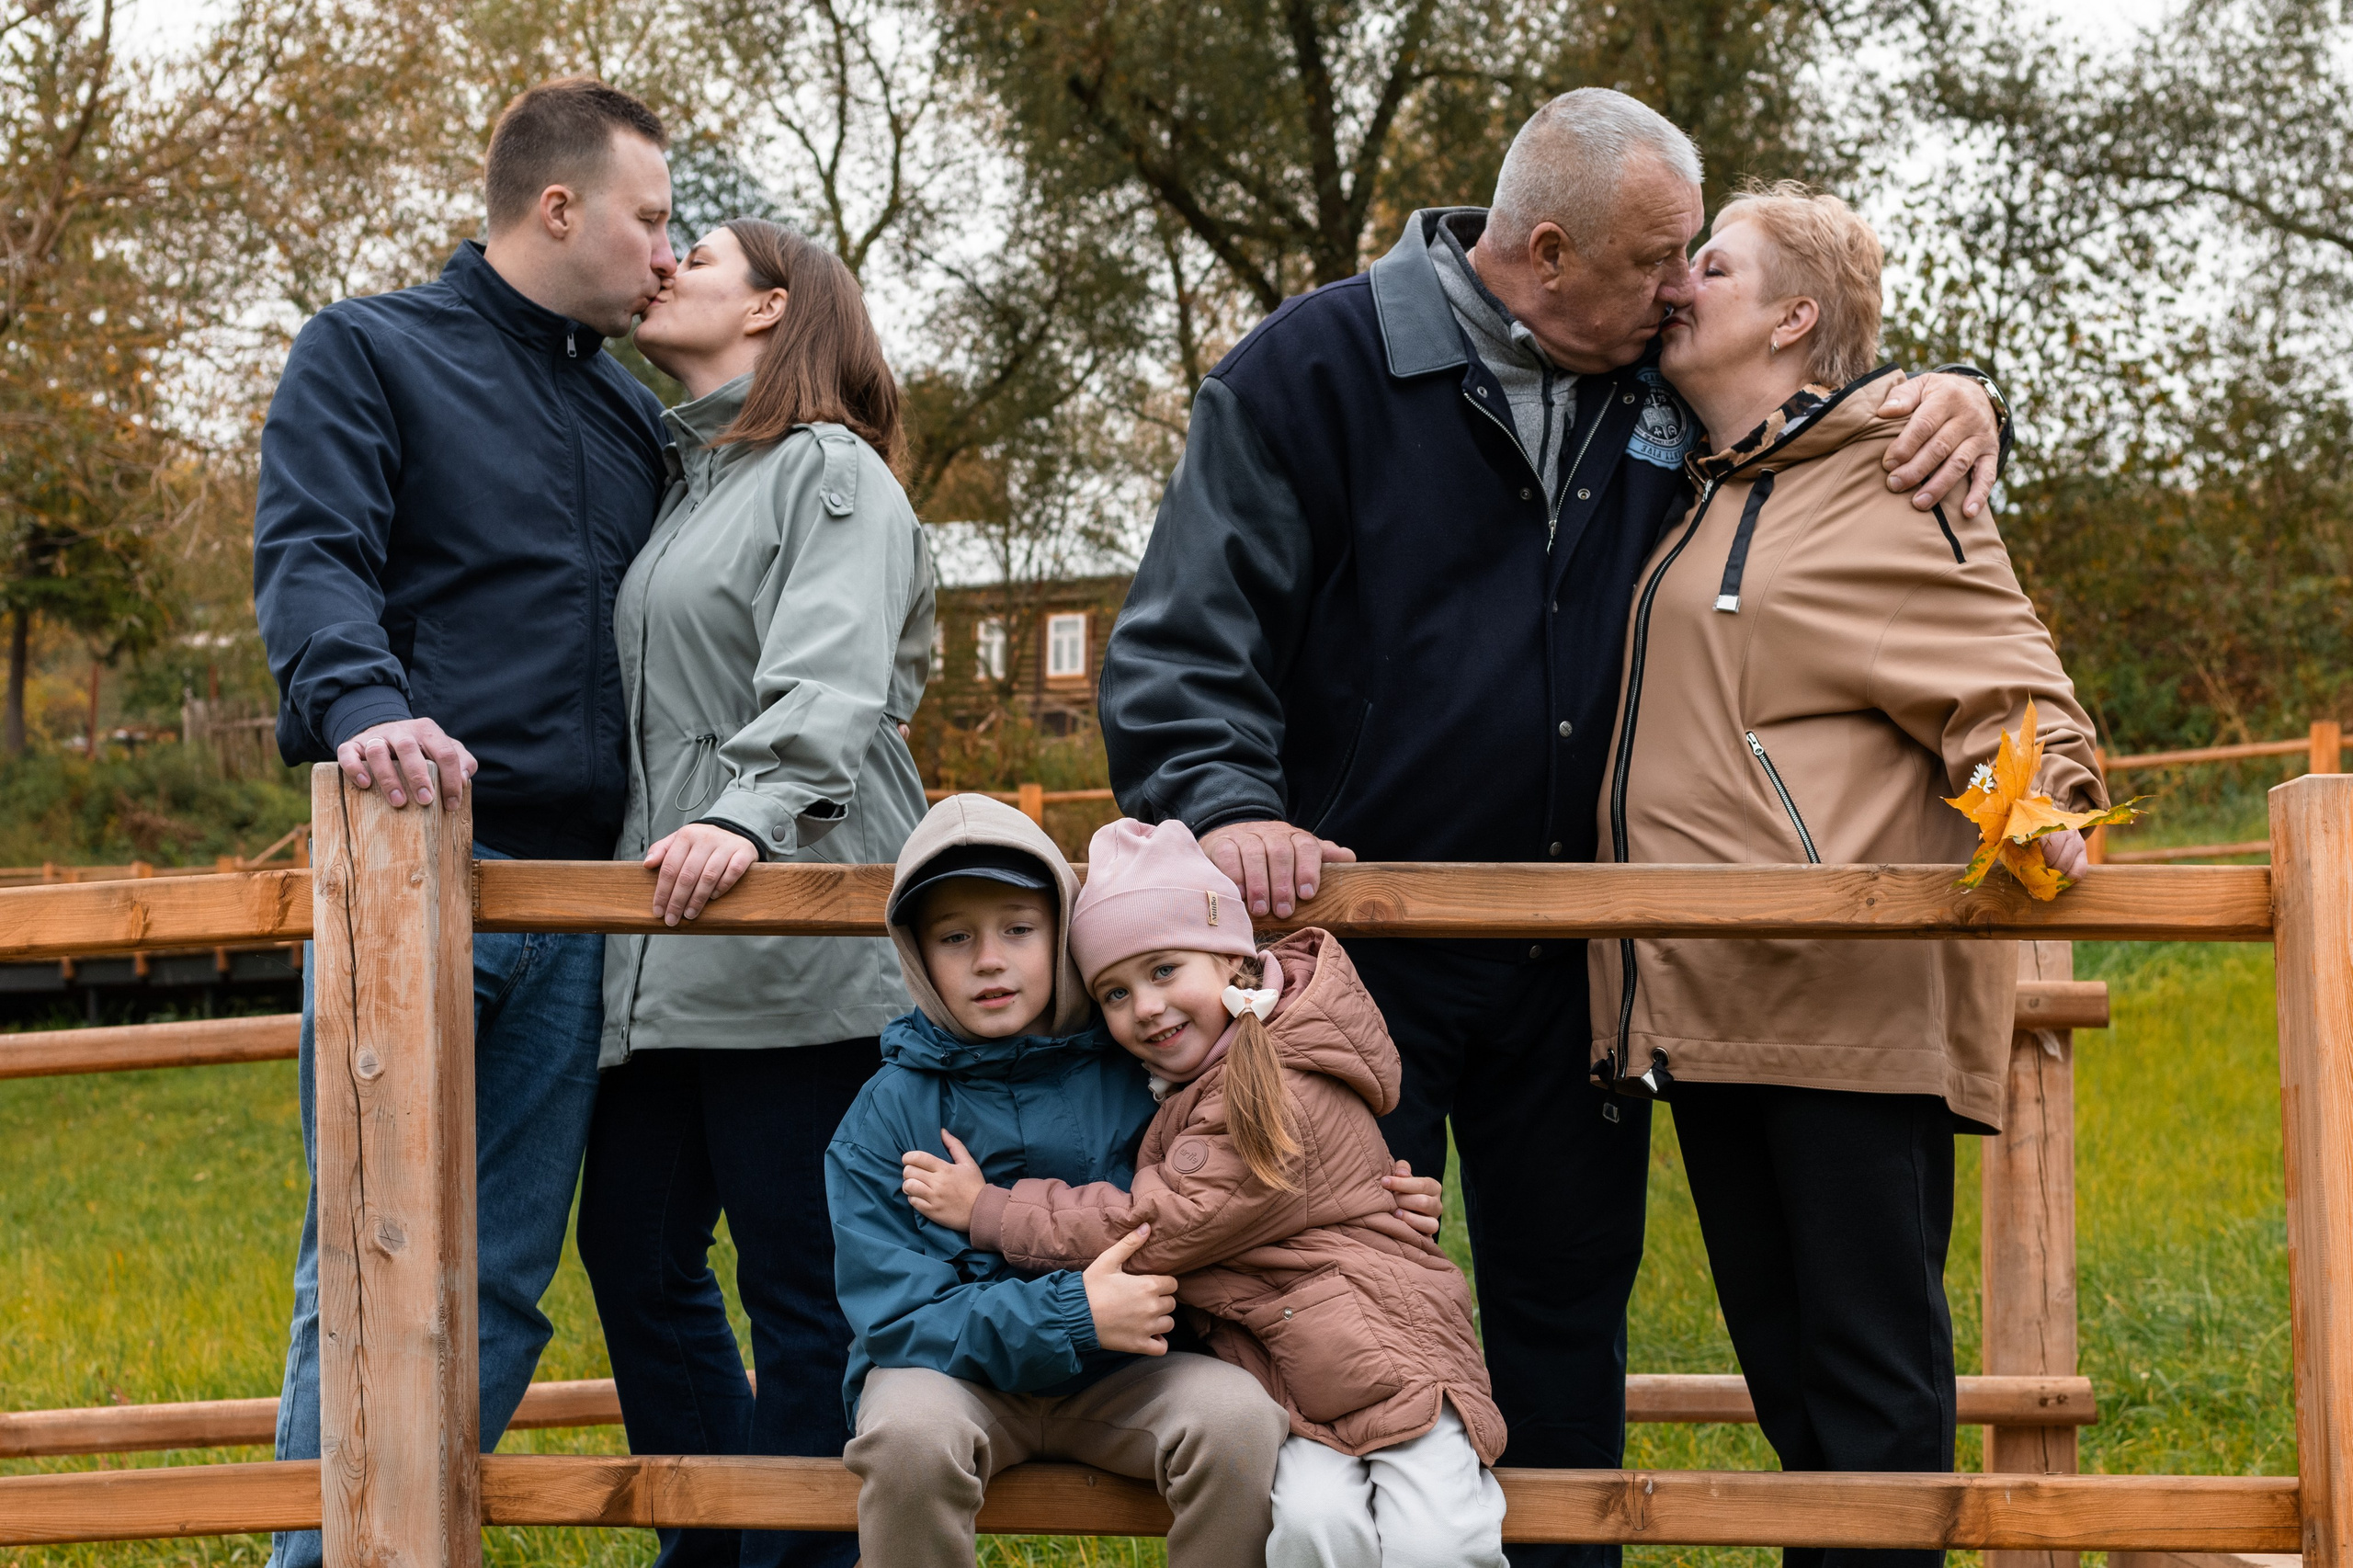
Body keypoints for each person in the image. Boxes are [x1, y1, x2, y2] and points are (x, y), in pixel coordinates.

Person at [1095, 88, 2012, 1567]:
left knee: (1562, 1307)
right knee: (1325, 1296)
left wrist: (1961, 392)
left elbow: (1820, 433)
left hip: (1581, 955)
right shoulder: (1304, 374)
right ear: (1543, 249)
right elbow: (1185, 647)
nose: (1677, 288)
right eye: (1658, 258)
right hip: (1347, 951)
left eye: (1688, 264)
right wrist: (1229, 800)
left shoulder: (1660, 381)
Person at [1588, 181, 2105, 1568]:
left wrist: (2042, 811)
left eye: (1714, 263)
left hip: (1851, 1013)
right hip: (1708, 1007)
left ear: (1795, 317)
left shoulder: (1895, 474)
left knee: (1872, 1394)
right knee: (1795, 1397)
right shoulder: (1694, 490)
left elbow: (2002, 691)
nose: (1680, 283)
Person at [249, 77, 676, 1568]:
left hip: (573, 902)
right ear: (557, 208)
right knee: (366, 1266)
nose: (667, 257)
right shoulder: (368, 352)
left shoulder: (634, 421)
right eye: (650, 218)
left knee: (500, 1276)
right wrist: (365, 704)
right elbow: (311, 558)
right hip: (408, 871)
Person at [573, 218, 934, 1568]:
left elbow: (829, 683)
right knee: (636, 1254)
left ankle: (799, 1556)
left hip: (792, 940)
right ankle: (718, 1542)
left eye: (697, 257)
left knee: (803, 1288)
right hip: (667, 959)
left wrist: (746, 813)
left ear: (777, 308)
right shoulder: (696, 478)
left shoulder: (827, 473)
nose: (664, 269)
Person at [828, 794, 1448, 1568]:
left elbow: (1238, 1186)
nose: (989, 959)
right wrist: (1073, 1316)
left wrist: (1365, 1202)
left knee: (1239, 1422)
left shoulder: (1147, 1063)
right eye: (955, 939)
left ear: (1061, 937)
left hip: (1131, 1375)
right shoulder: (888, 1113)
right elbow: (895, 1313)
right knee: (908, 1437)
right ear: (917, 956)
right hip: (954, 1377)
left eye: (1018, 930)